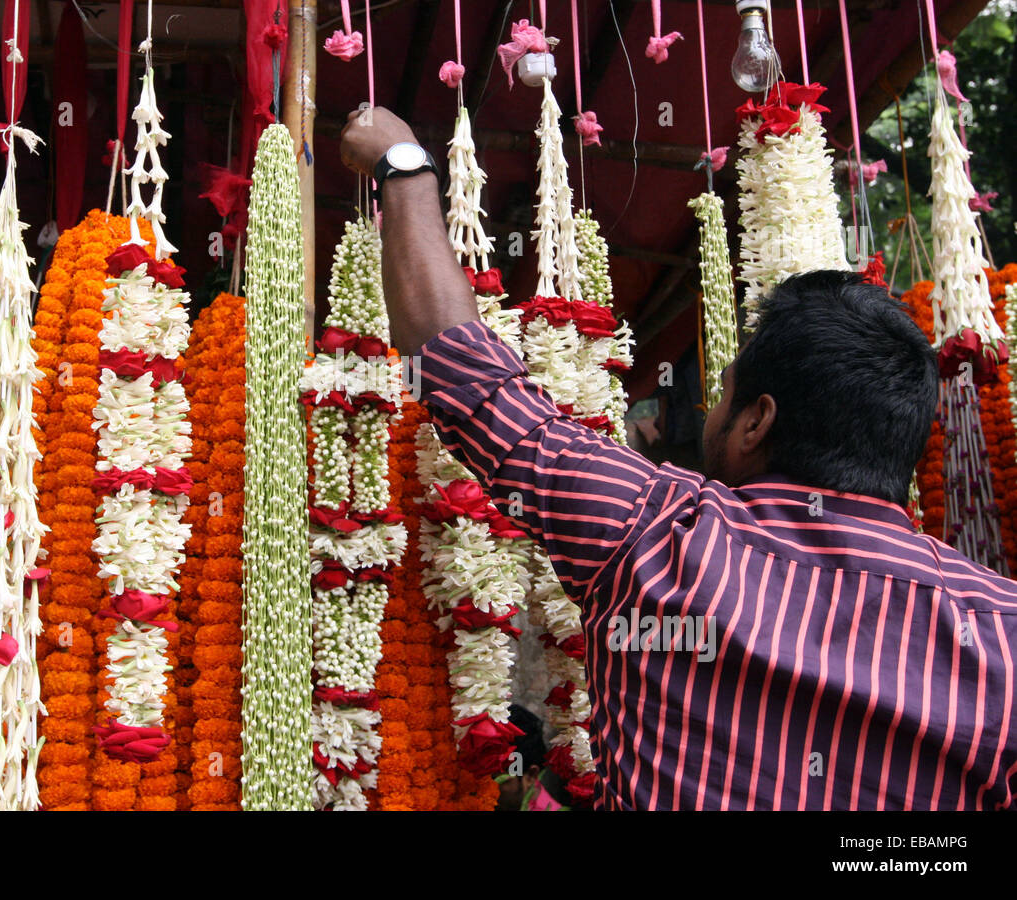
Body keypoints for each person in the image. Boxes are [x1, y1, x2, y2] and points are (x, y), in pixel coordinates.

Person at [340, 106, 1017, 811]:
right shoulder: (999, 628)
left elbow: (459, 372)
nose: (707, 412)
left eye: (723, 395)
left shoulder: (657, 532)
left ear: (758, 422)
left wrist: (405, 166)